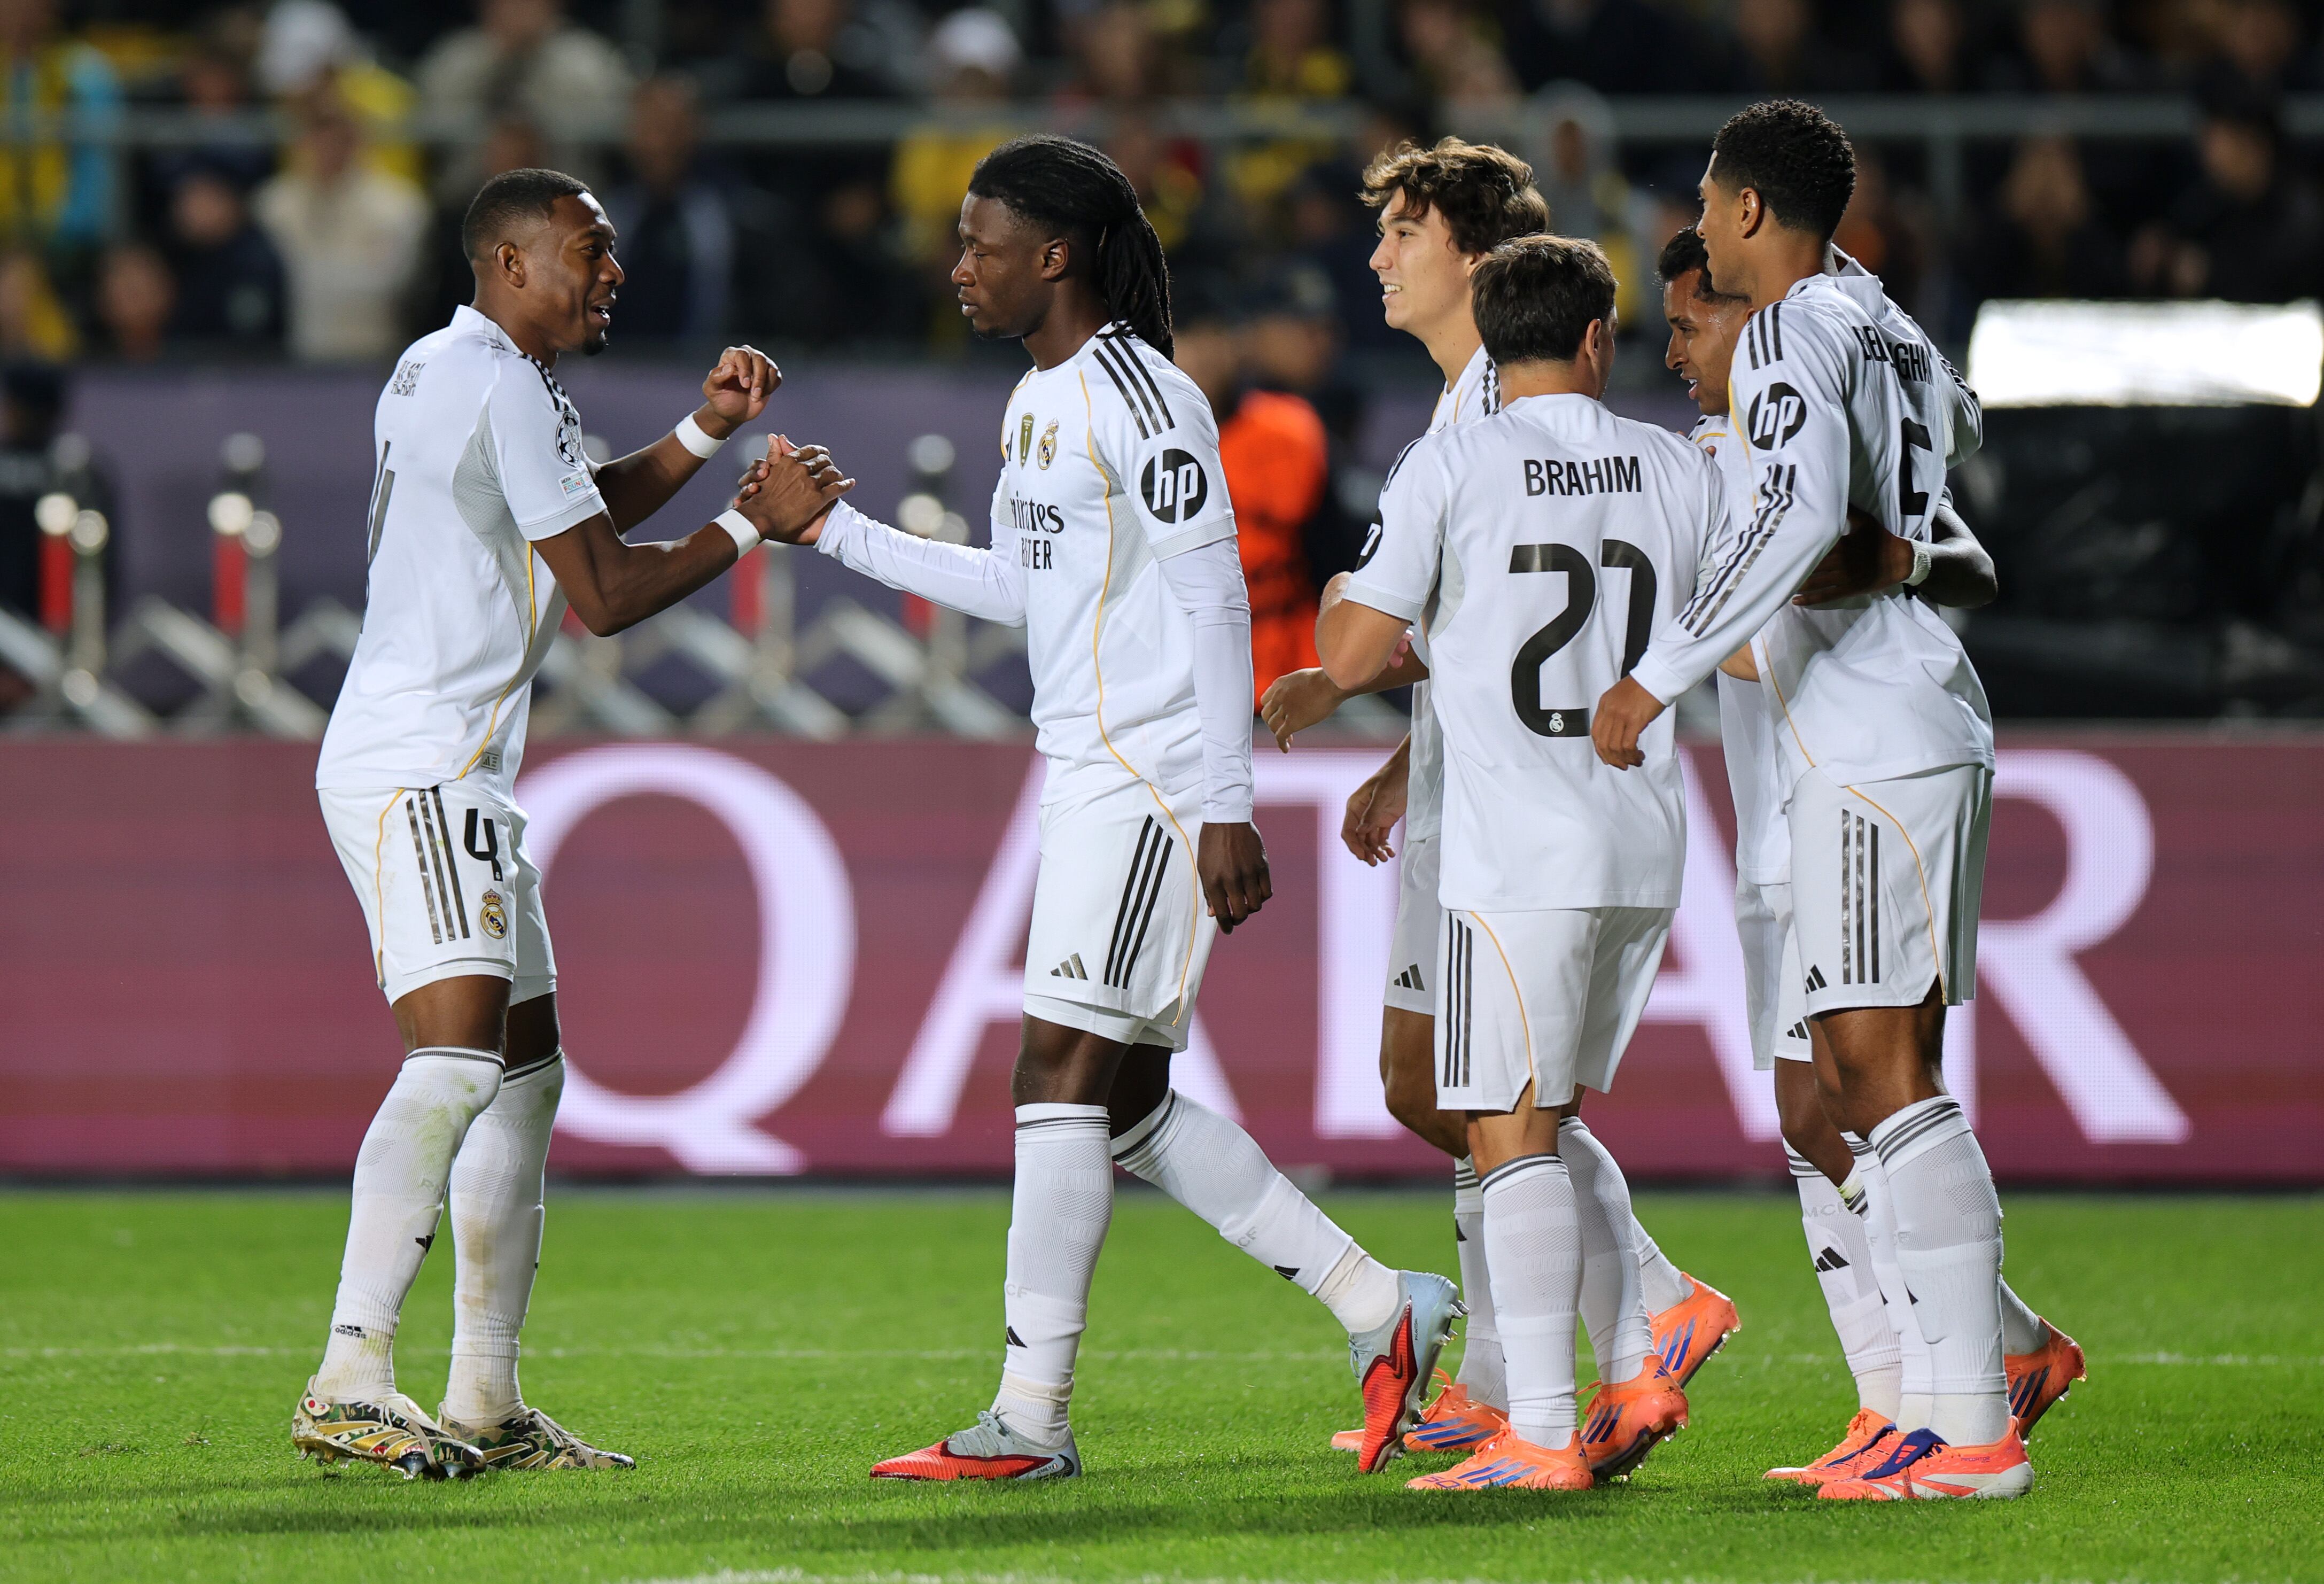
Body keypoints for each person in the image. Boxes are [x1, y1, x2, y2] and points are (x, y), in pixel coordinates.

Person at [740, 135, 1459, 1481]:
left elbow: (1214, 594)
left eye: (980, 242)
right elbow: (1027, 588)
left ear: (1056, 254)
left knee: (1054, 1076)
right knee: (1120, 1101)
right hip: (1086, 769)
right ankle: (1383, 1306)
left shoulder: (1145, 396)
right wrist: (832, 533)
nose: (959, 267)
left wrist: (1223, 802)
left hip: (1148, 777)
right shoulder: (1036, 402)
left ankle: (1030, 1417)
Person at [297, 166, 846, 1479]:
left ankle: (484, 1394)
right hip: (426, 764)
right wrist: (749, 526)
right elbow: (598, 589)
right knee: (455, 1064)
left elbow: (573, 503)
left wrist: (704, 432)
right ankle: (350, 1372)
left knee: (526, 1071)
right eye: (586, 253)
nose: (610, 273)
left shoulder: (453, 365)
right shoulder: (496, 381)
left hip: (447, 762)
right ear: (508, 260)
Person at [1261, 137, 1737, 1469]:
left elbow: (1416, 622)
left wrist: (1331, 681)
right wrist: (1402, 763)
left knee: (1483, 1100)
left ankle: (1613, 1334)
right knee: (1449, 1087)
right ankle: (1545, 1356)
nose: (1377, 258)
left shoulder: (1477, 428)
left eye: (1403, 234)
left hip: (1511, 814)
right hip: (1581, 804)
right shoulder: (1649, 451)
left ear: (1479, 259)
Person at [1595, 98, 2027, 1501]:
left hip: (1866, 729)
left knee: (1882, 1077)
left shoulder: (1791, 330)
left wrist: (1652, 673)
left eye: (1713, 203)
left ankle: (1969, 1420)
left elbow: (1804, 524)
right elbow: (1939, 462)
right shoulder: (1874, 317)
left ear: (1742, 211)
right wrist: (1903, 552)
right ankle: (1935, 1403)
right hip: (1877, 720)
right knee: (1850, 1078)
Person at [1654, 224, 2085, 1487]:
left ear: (1751, 315)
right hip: (1775, 801)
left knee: (1866, 1088)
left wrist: (1839, 563)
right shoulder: (1717, 463)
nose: (1675, 348)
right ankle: (1940, 1375)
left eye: (1694, 318)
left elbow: (1948, 555)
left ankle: (1955, 1398)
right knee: (1814, 1110)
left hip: (1844, 780)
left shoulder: (1807, 444)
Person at [1172, 304, 1330, 702]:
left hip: (1293, 672)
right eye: (1186, 339)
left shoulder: (1288, 429)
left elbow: (1334, 548)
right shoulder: (1130, 442)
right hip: (1179, 681)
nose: (1202, 355)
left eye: (1213, 336)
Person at [253, 88, 428, 362]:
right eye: (318, 138)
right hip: (290, 356)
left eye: (338, 140)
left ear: (357, 142)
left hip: (373, 353)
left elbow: (391, 283)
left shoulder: (398, 206)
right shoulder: (273, 205)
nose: (327, 149)